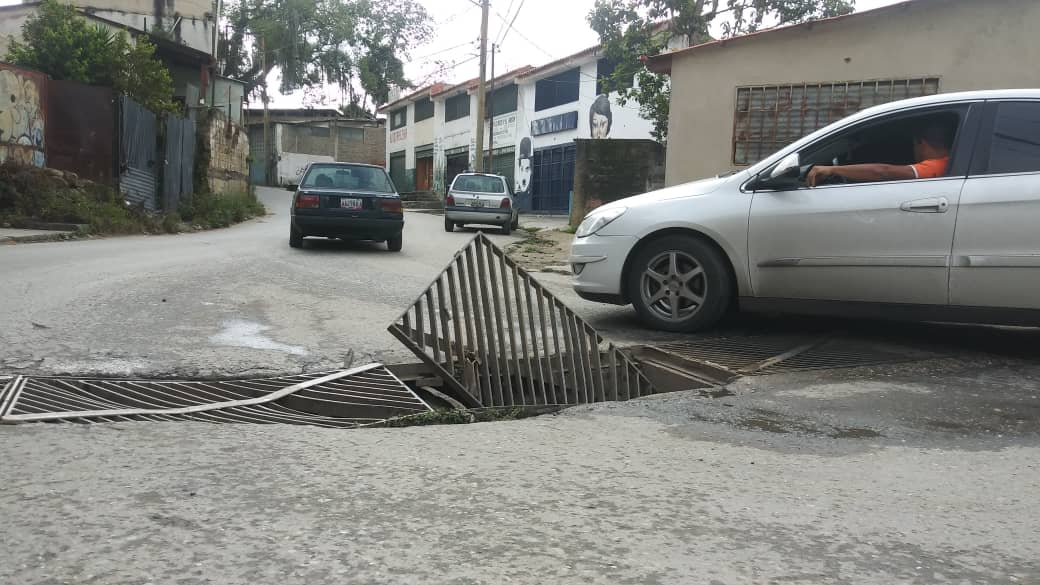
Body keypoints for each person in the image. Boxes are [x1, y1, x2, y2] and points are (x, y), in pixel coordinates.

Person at [807, 123, 952, 187]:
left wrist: (832, 170)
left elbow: (883, 172)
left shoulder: (936, 166)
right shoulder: (950, 163)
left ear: (921, 143)